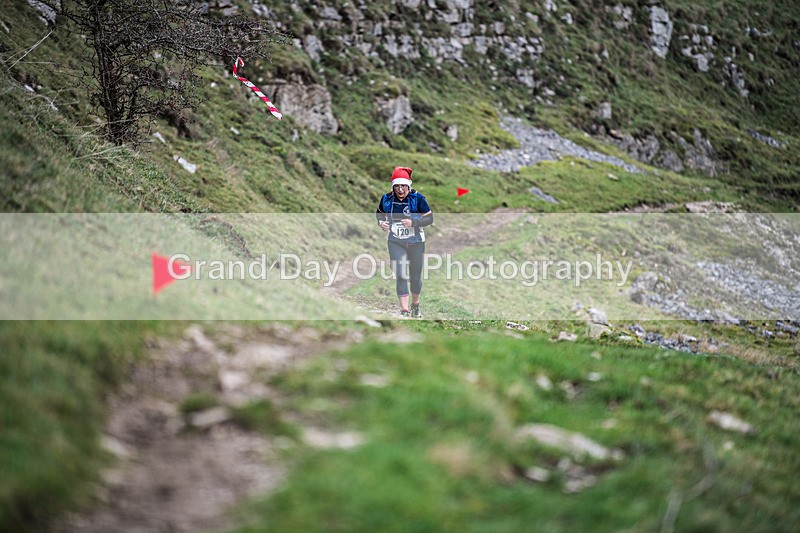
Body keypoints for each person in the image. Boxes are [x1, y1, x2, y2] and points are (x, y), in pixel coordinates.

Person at [376, 166, 434, 318]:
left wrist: (414, 222)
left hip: (416, 242)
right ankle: (404, 310)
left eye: (403, 186)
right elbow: (379, 214)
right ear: (393, 186)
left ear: (409, 185)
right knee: (401, 273)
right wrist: (381, 223)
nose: (400, 190)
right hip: (395, 241)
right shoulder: (387, 199)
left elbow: (429, 218)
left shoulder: (418, 198)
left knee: (415, 277)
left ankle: (415, 305)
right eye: (397, 186)